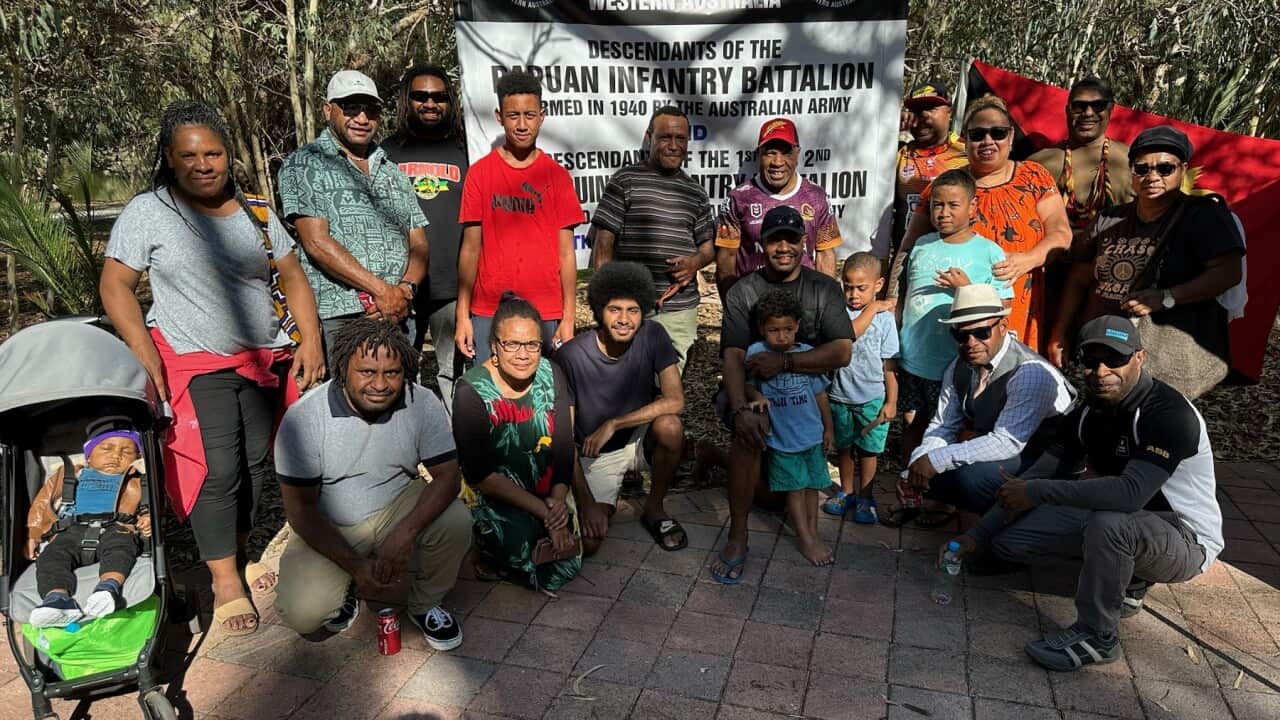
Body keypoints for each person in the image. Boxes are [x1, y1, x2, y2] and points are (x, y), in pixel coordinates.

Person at [101, 101, 324, 636]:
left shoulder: (255, 211)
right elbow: (116, 285)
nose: (204, 164)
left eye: (214, 153)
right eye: (190, 155)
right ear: (170, 159)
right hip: (191, 357)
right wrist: (143, 349)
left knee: (251, 464)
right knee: (215, 468)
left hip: (260, 358)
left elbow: (291, 276)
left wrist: (310, 339)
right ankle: (225, 580)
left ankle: (243, 553)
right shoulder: (148, 211)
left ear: (227, 155)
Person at [944, 316, 1223, 672]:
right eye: (1091, 361)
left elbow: (1128, 495)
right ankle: (1130, 579)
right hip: (1129, 521)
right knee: (1008, 545)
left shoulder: (1169, 414)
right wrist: (976, 535)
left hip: (1185, 538)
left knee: (1111, 525)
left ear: (1140, 357)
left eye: (1115, 359)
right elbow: (1040, 474)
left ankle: (1098, 636)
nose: (1101, 371)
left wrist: (1038, 491)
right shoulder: (1088, 413)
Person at [273, 320, 470, 649]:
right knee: (304, 614)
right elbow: (301, 511)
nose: (380, 384)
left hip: (397, 500)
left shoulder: (420, 401)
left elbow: (448, 477)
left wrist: (405, 531)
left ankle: (425, 604)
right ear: (342, 369)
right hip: (331, 517)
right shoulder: (304, 419)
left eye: (392, 373)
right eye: (366, 371)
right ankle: (347, 587)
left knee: (456, 521)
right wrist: (355, 566)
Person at [1047, 125, 1245, 397]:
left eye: (1165, 169)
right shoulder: (1110, 217)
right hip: (1103, 352)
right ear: (1132, 172)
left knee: (1157, 424)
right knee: (1102, 422)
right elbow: (1080, 276)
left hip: (1165, 357)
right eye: (1142, 168)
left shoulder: (1203, 215)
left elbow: (1228, 272)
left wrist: (1167, 296)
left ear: (1182, 170)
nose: (1152, 176)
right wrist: (1060, 332)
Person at [712, 206, 853, 583]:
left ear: (804, 243)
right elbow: (733, 355)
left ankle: (717, 460)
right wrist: (742, 406)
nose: (784, 247)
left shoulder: (823, 287)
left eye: (792, 239)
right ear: (762, 243)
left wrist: (787, 364)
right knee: (751, 428)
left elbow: (842, 350)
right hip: (755, 389)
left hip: (804, 391)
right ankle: (738, 533)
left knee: (777, 495)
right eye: (775, 240)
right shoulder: (745, 290)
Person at [889, 94, 1072, 353]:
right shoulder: (944, 187)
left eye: (997, 133)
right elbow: (908, 249)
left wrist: (1028, 258)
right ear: (965, 140)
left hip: (1018, 309)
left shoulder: (1035, 177)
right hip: (953, 320)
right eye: (977, 134)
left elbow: (1061, 234)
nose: (988, 141)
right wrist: (892, 305)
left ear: (1010, 137)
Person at [891, 169, 1016, 526]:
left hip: (956, 364)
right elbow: (904, 296)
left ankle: (943, 499)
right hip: (914, 358)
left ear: (973, 206)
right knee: (913, 424)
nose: (943, 213)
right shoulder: (921, 245)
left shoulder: (989, 252)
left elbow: (1001, 309)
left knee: (950, 430)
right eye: (937, 206)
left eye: (953, 205)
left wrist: (967, 288)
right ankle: (909, 491)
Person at [278, 69, 429, 341]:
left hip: (400, 312)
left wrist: (404, 291)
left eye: (370, 110)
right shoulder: (305, 163)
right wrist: (382, 291)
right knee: (348, 385)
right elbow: (316, 243)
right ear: (327, 110)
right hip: (344, 316)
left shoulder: (393, 172)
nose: (362, 118)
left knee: (404, 384)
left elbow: (418, 242)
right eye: (350, 108)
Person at [904, 284, 1076, 522]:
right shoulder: (959, 365)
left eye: (982, 332)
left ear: (1003, 327)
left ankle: (1016, 525)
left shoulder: (1030, 371)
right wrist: (920, 459)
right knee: (922, 469)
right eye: (962, 335)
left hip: (1048, 456)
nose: (971, 342)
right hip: (1008, 448)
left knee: (971, 478)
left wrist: (937, 459)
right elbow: (944, 424)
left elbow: (1008, 442)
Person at [452, 293, 581, 591]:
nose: (522, 354)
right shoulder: (470, 391)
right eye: (511, 344)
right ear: (494, 346)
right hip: (496, 492)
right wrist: (545, 512)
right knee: (525, 549)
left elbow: (563, 446)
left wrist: (558, 503)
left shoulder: (552, 372)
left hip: (547, 488)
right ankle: (483, 546)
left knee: (567, 556)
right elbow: (481, 475)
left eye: (532, 345)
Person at [455, 71, 585, 363]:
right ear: (500, 117)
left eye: (529, 115)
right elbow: (470, 249)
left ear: (542, 116)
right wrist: (463, 315)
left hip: (546, 310)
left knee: (544, 398)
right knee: (489, 397)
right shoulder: (480, 174)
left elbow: (566, 253)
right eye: (514, 115)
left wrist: (568, 317)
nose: (522, 124)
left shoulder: (557, 176)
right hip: (489, 310)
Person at [556, 262, 686, 553]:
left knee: (670, 426)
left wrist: (614, 423)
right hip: (595, 452)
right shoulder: (570, 356)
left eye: (633, 310)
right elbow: (563, 440)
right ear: (599, 310)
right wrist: (587, 503)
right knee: (589, 542)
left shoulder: (653, 335)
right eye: (615, 309)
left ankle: (655, 508)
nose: (624, 319)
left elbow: (676, 400)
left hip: (637, 436)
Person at [589, 106, 715, 372]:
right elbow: (603, 243)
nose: (673, 145)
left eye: (680, 139)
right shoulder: (626, 180)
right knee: (623, 382)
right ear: (649, 138)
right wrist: (605, 300)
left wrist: (695, 263)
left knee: (667, 389)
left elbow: (708, 247)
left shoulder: (696, 193)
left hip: (678, 310)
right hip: (628, 307)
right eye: (665, 137)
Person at [383, 64, 470, 411]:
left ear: (450, 102)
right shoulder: (386, 152)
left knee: (456, 373)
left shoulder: (468, 149)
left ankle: (458, 448)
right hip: (399, 284)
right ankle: (407, 445)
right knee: (400, 370)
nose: (430, 103)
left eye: (439, 97)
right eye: (421, 96)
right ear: (407, 100)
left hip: (453, 285)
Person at [26, 418, 151, 627]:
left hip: (116, 528)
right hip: (70, 530)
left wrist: (146, 517)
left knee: (121, 548)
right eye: (106, 448)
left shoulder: (137, 479)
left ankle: (107, 589)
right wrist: (34, 533)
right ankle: (57, 599)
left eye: (127, 452)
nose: (116, 455)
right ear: (89, 456)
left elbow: (148, 504)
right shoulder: (67, 475)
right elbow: (41, 505)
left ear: (136, 458)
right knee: (51, 557)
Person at [744, 290, 836, 566]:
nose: (781, 336)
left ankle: (813, 533)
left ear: (797, 325)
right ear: (762, 329)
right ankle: (806, 540)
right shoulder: (756, 353)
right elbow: (746, 383)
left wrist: (828, 429)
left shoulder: (807, 354)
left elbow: (820, 395)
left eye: (787, 329)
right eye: (773, 330)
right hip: (783, 441)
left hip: (811, 436)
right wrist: (756, 397)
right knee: (795, 490)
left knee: (812, 488)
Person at [715, 118, 843, 296]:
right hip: (754, 303)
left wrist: (824, 303)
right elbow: (726, 259)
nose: (777, 161)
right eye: (770, 153)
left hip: (804, 302)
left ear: (797, 153)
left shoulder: (816, 197)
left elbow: (825, 255)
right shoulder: (739, 198)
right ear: (760, 154)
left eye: (786, 153)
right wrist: (734, 308)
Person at [821, 254, 898, 524]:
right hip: (839, 396)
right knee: (844, 448)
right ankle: (846, 491)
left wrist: (891, 401)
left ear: (878, 284)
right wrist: (872, 307)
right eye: (848, 286)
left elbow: (889, 365)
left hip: (871, 399)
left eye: (861, 288)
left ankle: (866, 496)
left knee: (868, 451)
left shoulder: (886, 320)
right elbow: (848, 333)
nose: (853, 294)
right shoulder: (837, 313)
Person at [1028, 77, 1134, 240]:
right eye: (1079, 106)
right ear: (1067, 110)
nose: (1088, 113)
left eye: (1098, 106)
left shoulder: (1134, 162)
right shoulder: (1038, 164)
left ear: (1111, 109)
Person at [890, 81, 968, 259]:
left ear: (949, 111)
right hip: (908, 256)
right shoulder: (899, 152)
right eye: (917, 111)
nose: (923, 116)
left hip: (956, 257)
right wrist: (890, 126)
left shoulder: (968, 152)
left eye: (931, 108)